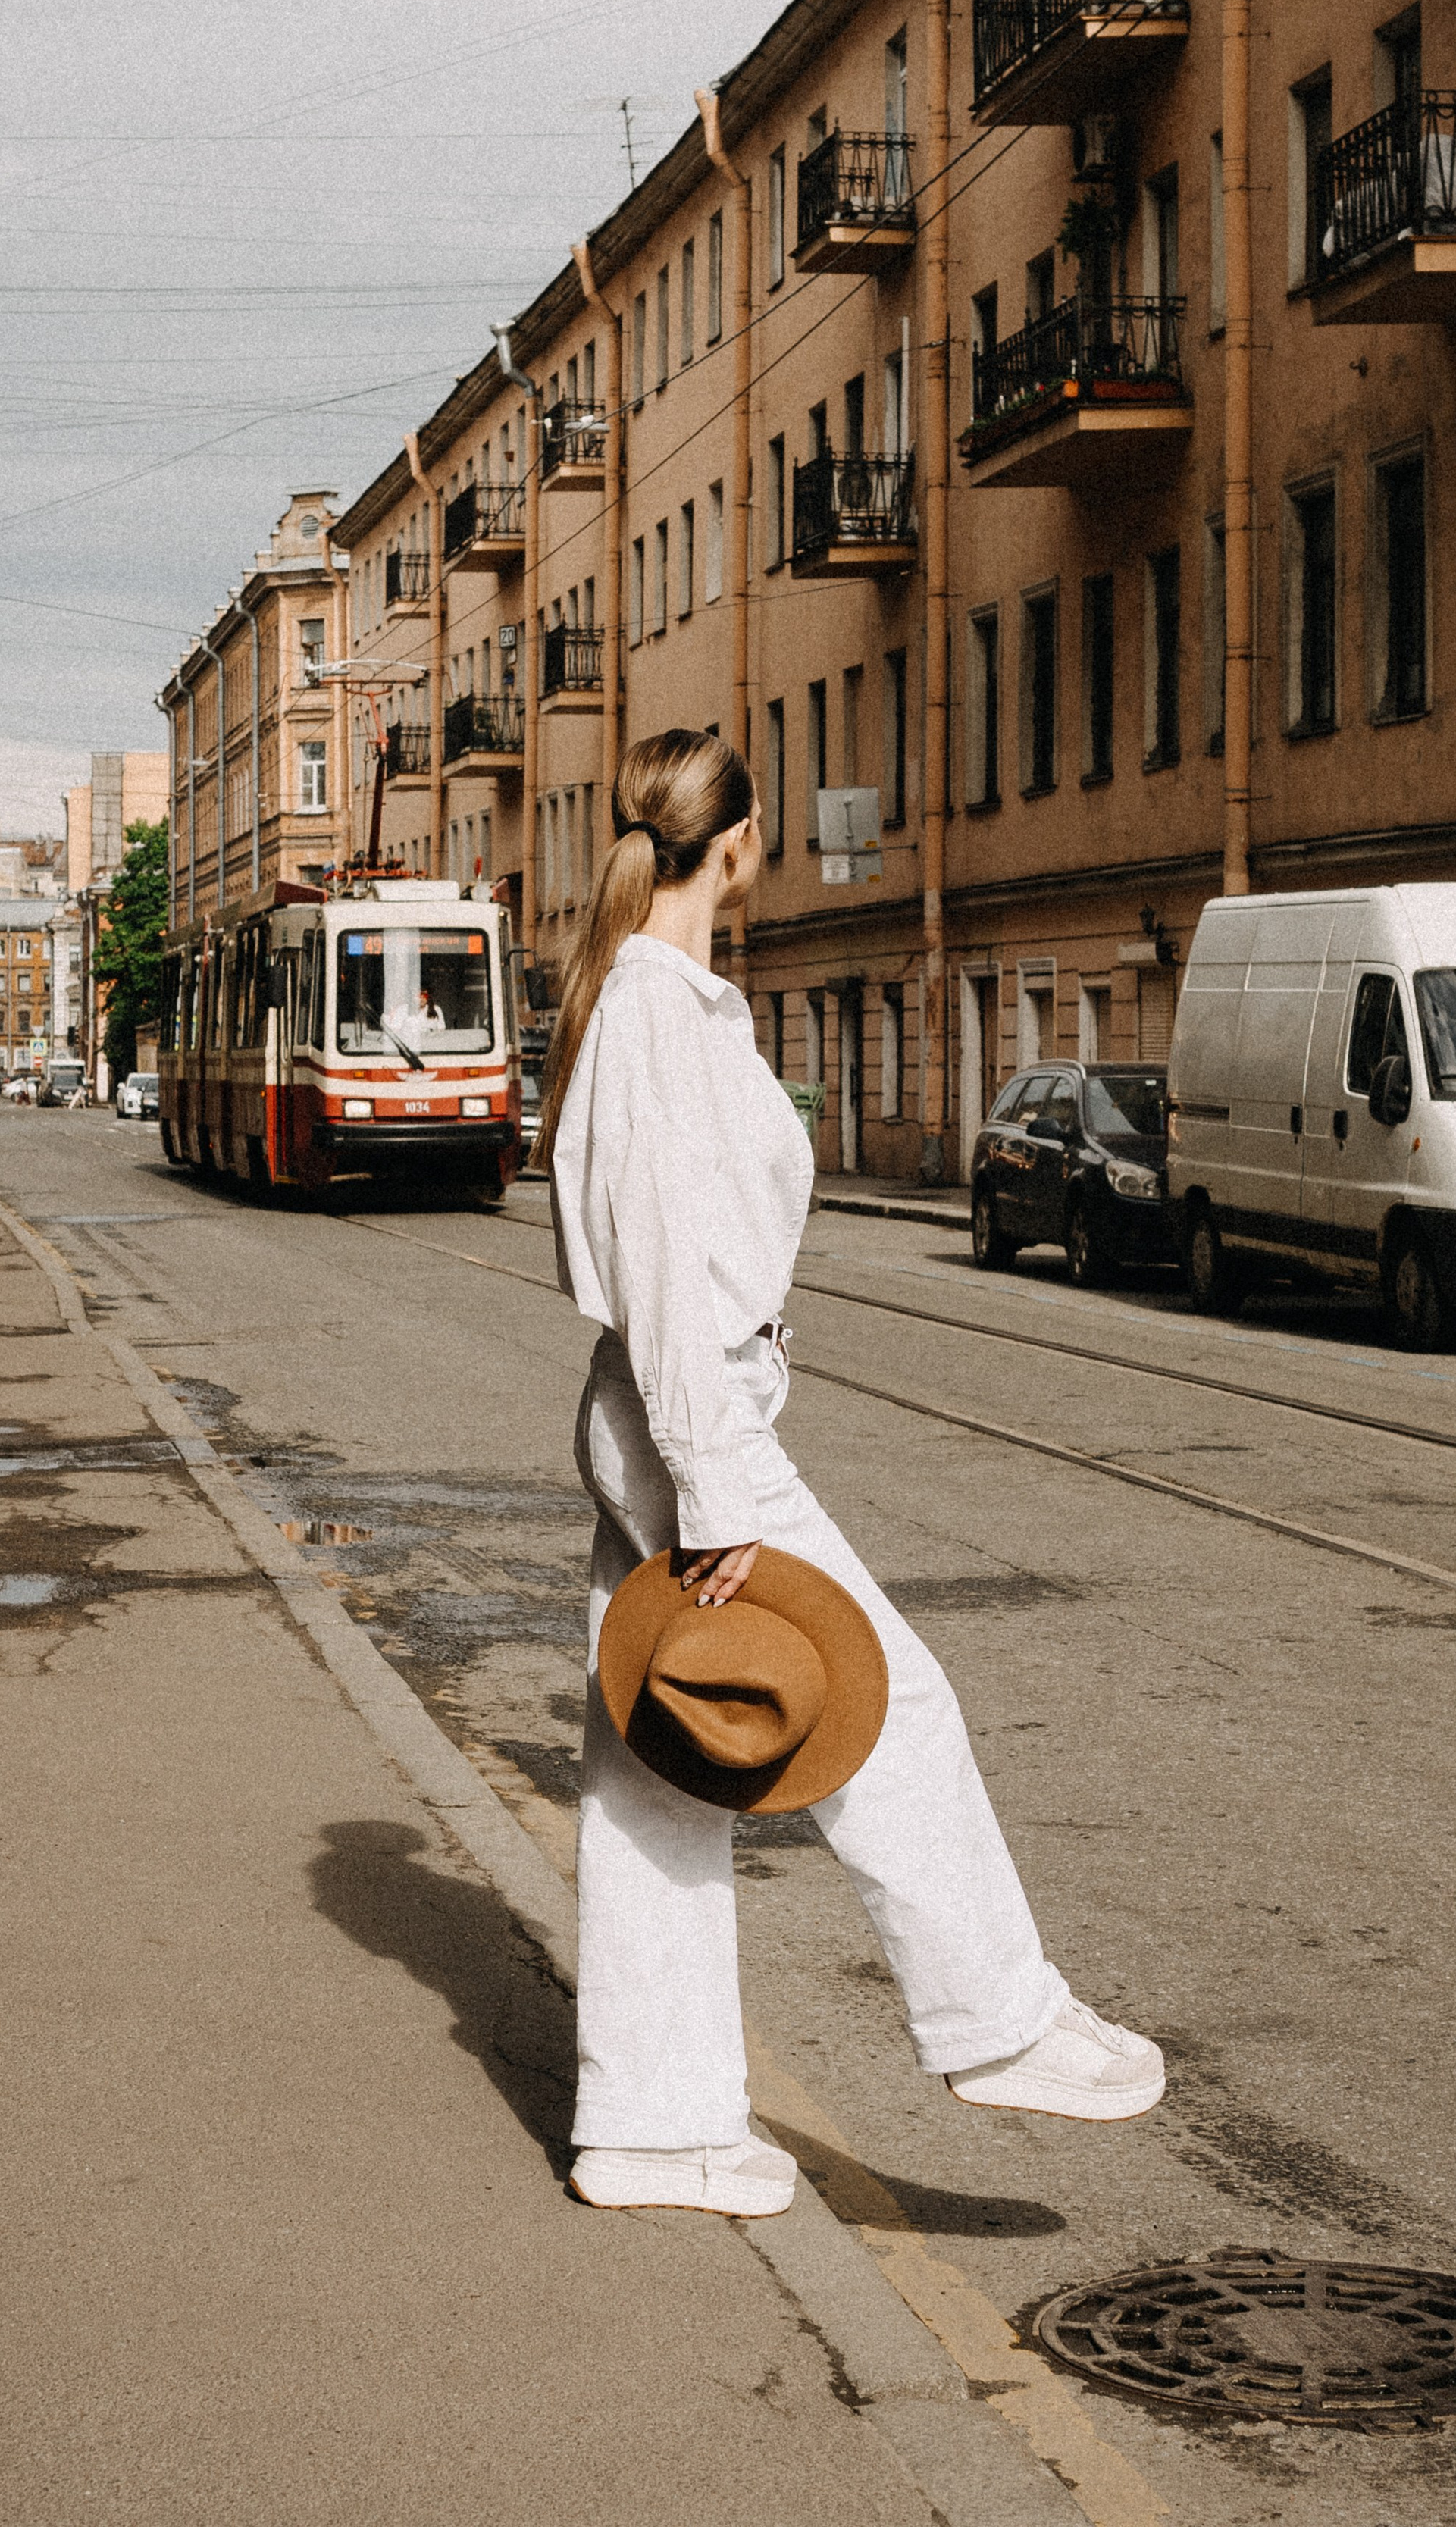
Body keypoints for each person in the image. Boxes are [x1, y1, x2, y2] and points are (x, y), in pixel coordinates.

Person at [540, 729, 1165, 2219]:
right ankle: (998, 2020)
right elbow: (663, 1274)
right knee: (891, 1703)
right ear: (741, 843)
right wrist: (713, 1495)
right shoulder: (652, 1010)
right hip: (690, 1419)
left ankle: (652, 2126)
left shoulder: (664, 998)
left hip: (679, 1409)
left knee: (663, 1770)